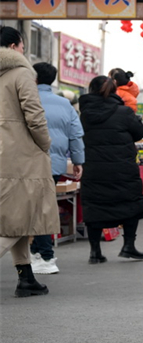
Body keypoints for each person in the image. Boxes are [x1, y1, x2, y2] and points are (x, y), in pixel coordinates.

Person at [0, 27, 57, 297]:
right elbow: (34, 116)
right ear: (14, 47)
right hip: (21, 157)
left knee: (16, 217)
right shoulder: (21, 74)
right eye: (23, 46)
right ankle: (26, 277)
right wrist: (45, 144)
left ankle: (26, 277)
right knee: (18, 219)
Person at [79, 75, 143, 264]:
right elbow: (140, 132)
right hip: (122, 168)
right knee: (130, 205)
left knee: (94, 206)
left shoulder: (84, 114)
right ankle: (128, 246)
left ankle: (95, 251)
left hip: (93, 168)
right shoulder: (123, 112)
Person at [30, 62, 85, 275]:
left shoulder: (25, 99)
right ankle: (38, 252)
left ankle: (45, 255)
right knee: (43, 206)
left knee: (36, 209)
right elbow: (76, 135)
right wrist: (78, 161)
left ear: (33, 78)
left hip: (27, 163)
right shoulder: (64, 104)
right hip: (54, 164)